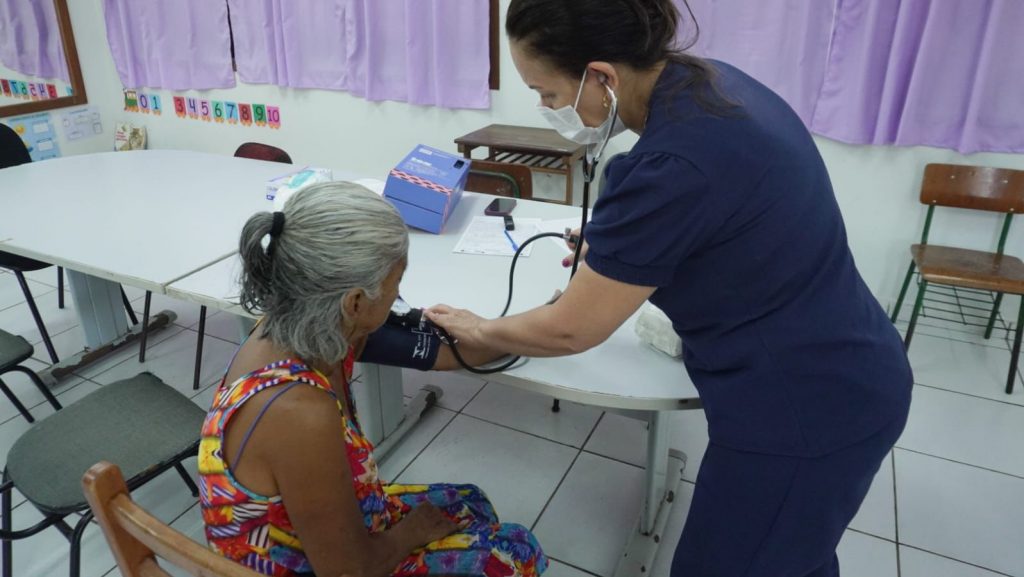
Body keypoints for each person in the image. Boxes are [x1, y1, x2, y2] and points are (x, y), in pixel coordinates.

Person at [425, 1, 913, 576]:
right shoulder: (714, 83)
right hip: (848, 365)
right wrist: (633, 249)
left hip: (803, 407)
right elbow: (729, 223)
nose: (544, 108)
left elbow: (572, 327)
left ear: (601, 77)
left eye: (548, 94)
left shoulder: (673, 163)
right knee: (792, 554)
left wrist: (480, 327)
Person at [198, 182, 548, 577]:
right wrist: (410, 533)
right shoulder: (297, 412)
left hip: (320, 530)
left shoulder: (318, 328)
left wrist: (539, 327)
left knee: (472, 502)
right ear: (355, 302)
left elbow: (451, 354)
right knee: (517, 551)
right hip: (310, 565)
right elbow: (347, 571)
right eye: (396, 287)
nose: (400, 297)